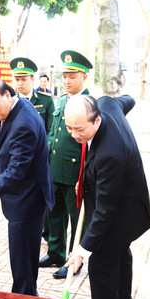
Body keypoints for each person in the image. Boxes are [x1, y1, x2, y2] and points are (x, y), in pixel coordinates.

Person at [62, 94, 150, 299]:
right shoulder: (108, 103)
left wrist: (82, 251)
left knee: (101, 265)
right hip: (120, 200)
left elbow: (105, 210)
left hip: (124, 212)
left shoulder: (109, 154)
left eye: (80, 129)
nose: (74, 135)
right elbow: (128, 100)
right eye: (69, 128)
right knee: (119, 256)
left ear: (97, 120)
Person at [0, 78, 54, 296]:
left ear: (7, 95)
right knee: (22, 260)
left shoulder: (23, 124)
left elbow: (16, 173)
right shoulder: (19, 105)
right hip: (25, 197)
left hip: (27, 201)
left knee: (23, 261)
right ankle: (24, 297)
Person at [41, 51, 91, 276]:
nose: (67, 80)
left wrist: (85, 176)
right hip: (55, 169)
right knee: (54, 214)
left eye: (72, 76)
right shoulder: (61, 100)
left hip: (75, 173)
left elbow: (91, 144)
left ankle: (74, 261)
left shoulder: (90, 103)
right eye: (65, 76)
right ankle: (55, 253)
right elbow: (53, 134)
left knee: (75, 218)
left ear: (84, 77)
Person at [11, 57, 53, 133]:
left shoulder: (46, 99)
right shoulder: (11, 101)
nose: (20, 83)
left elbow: (51, 129)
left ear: (32, 79)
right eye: (17, 80)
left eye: (24, 79)